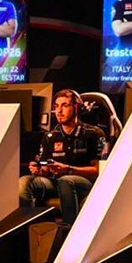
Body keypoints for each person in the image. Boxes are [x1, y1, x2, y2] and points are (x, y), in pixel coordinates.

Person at [19, 89, 106, 225]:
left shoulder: (94, 133)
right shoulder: (50, 136)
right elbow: (46, 169)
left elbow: (99, 171)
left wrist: (68, 169)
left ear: (77, 108)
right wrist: (39, 170)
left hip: (84, 183)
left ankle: (69, 228)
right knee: (24, 181)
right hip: (55, 182)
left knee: (66, 180)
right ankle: (30, 227)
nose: (59, 111)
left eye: (65, 105)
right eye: (56, 106)